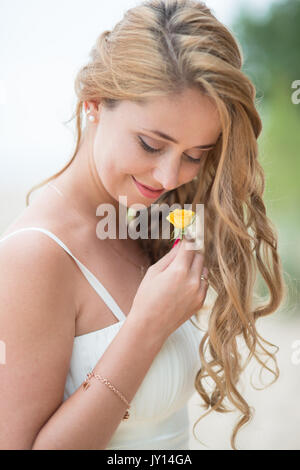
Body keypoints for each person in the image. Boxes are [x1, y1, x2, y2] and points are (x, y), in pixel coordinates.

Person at [0, 0, 286, 450]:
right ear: (94, 104)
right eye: (151, 145)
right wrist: (147, 326)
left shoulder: (147, 230)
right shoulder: (33, 255)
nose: (170, 177)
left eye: (195, 155)